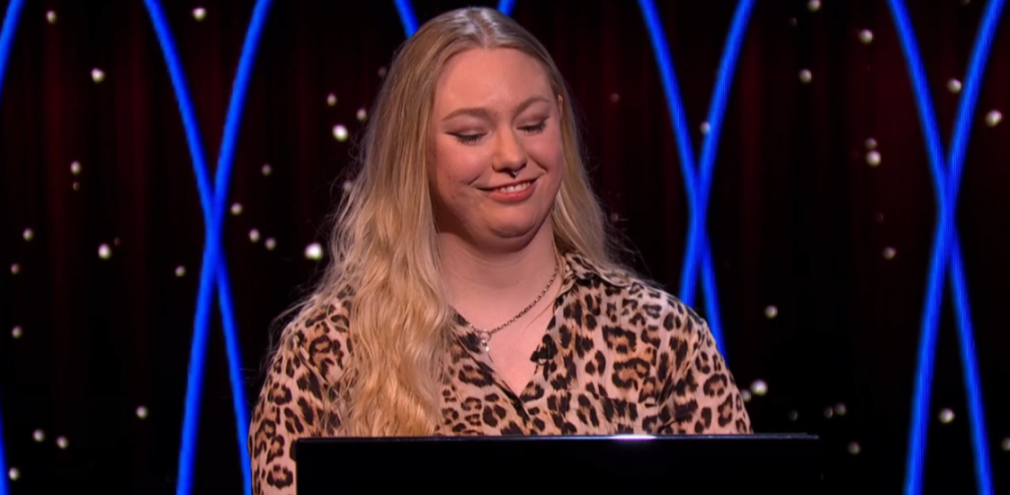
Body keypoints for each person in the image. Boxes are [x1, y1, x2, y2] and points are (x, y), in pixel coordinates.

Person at [248, 6, 751, 494]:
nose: (512, 156)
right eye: (471, 134)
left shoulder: (660, 339)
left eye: (533, 125)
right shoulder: (328, 351)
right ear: (413, 150)